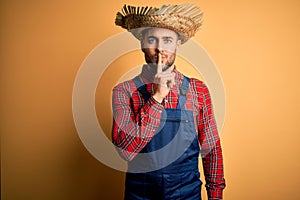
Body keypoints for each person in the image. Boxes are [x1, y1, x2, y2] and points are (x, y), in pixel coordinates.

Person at [112, 4, 226, 200]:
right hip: (141, 194)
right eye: (152, 40)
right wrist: (157, 97)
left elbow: (211, 149)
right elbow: (126, 152)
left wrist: (215, 195)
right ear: (142, 44)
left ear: (177, 45)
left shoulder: (198, 90)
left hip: (186, 194)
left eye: (167, 40)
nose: (160, 48)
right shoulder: (124, 91)